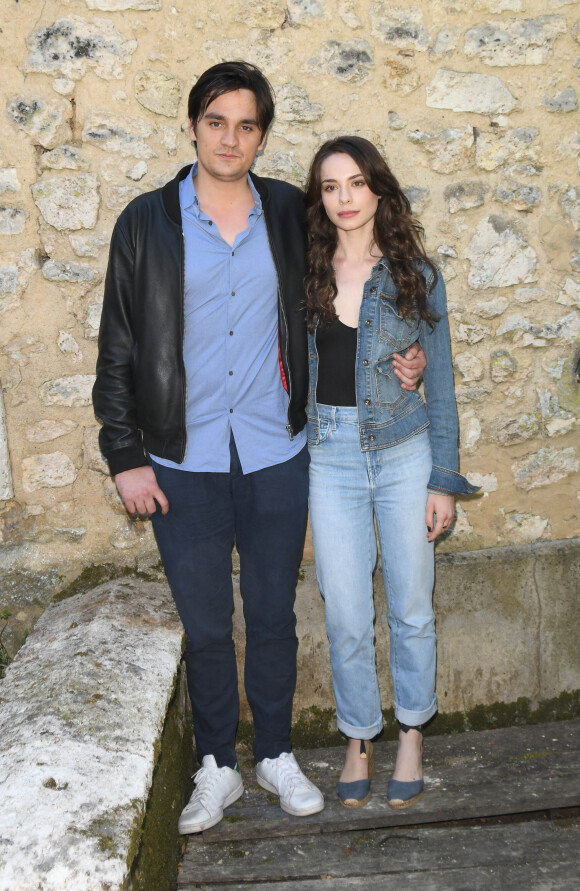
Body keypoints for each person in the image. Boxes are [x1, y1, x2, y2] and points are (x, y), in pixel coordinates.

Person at [93, 62, 425, 834]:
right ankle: (218, 766)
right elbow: (119, 349)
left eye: (246, 125)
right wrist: (124, 453)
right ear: (192, 127)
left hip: (278, 451)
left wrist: (407, 355)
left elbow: (359, 276)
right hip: (182, 458)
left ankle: (274, 753)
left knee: (272, 612)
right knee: (207, 623)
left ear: (262, 136)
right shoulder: (145, 224)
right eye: (216, 122)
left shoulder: (286, 210)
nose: (230, 138)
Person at [304, 136, 479, 810]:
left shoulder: (415, 275)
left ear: (378, 189)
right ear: (319, 198)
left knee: (409, 606)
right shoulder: (307, 272)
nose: (345, 198)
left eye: (355, 183)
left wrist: (443, 478)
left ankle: (411, 731)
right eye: (330, 186)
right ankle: (357, 737)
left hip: (404, 453)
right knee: (346, 610)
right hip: (332, 456)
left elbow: (442, 388)